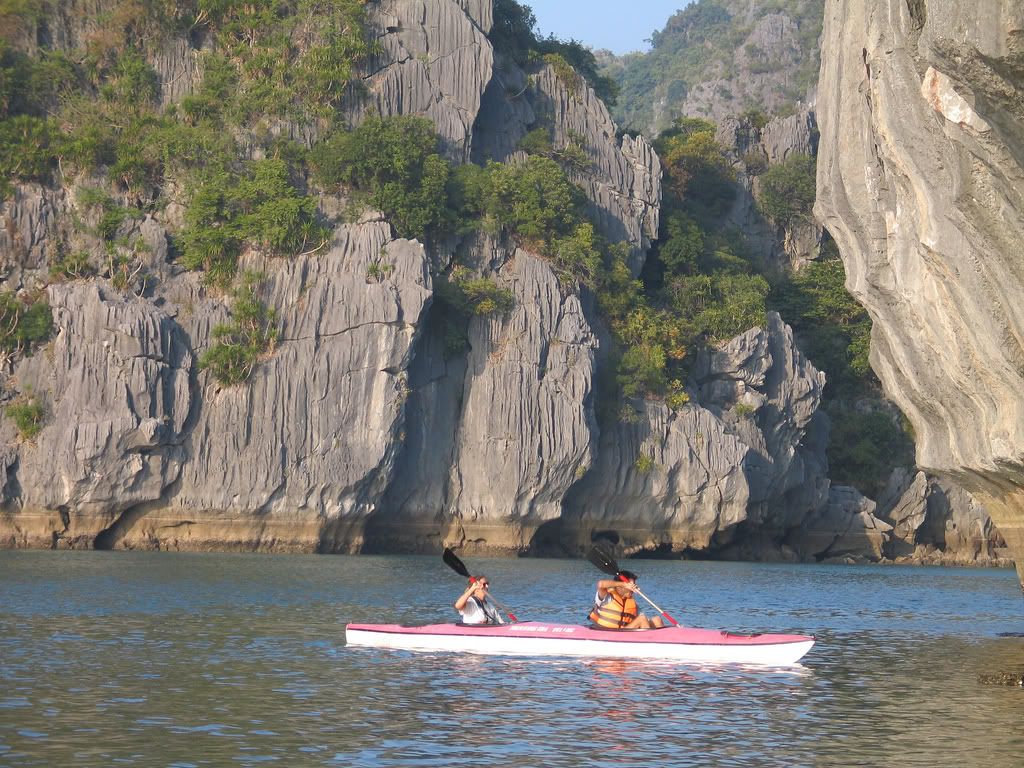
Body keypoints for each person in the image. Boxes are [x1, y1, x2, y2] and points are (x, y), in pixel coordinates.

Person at [588, 570, 665, 629]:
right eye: (630, 586)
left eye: (633, 585)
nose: (633, 589)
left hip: (625, 632)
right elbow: (601, 584)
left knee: (656, 619)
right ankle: (650, 644)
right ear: (620, 586)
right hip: (608, 632)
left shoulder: (632, 603)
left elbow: (645, 620)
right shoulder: (607, 597)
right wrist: (624, 584)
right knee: (642, 619)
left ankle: (663, 644)